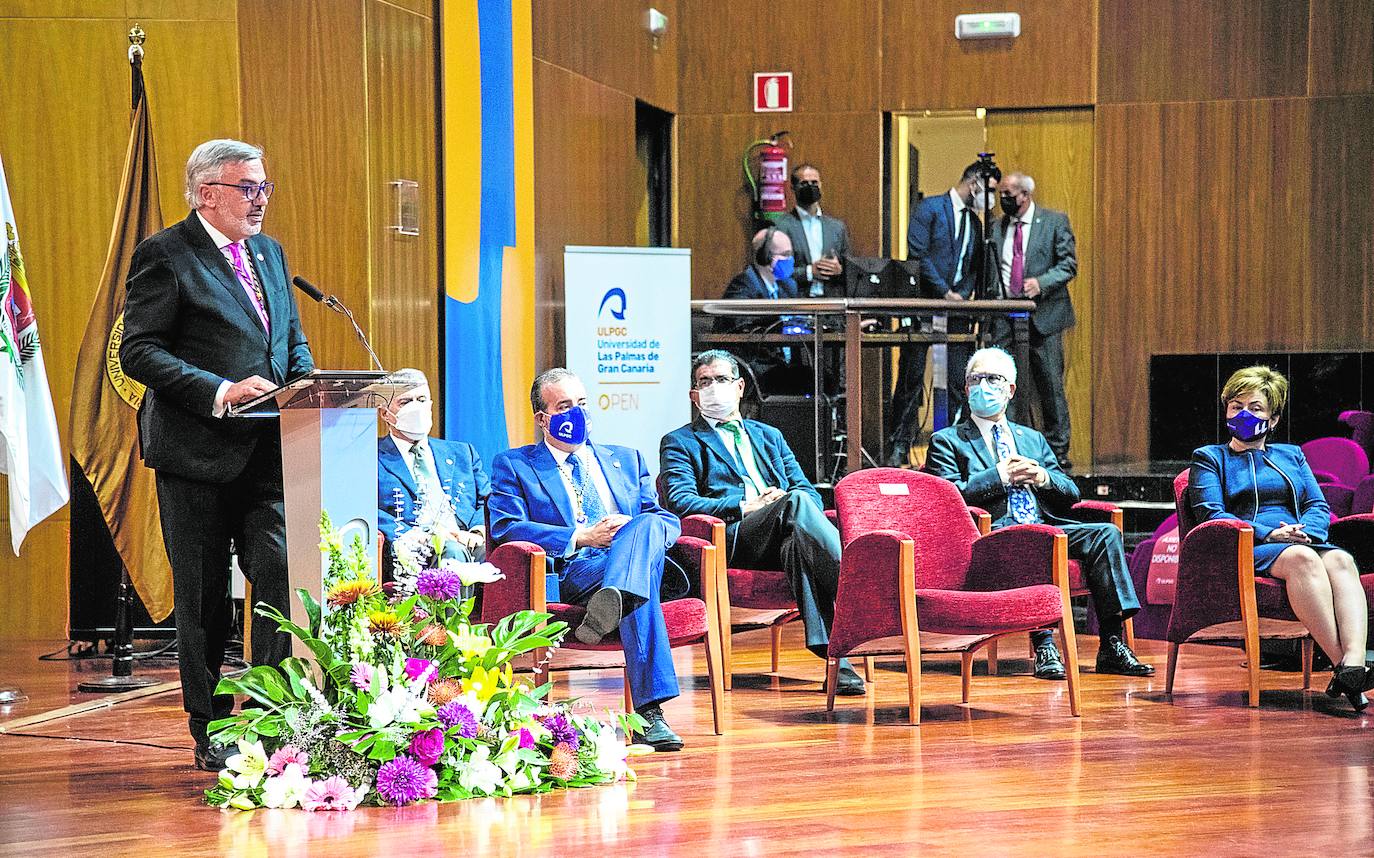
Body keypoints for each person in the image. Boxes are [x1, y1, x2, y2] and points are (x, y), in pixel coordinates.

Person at [121, 139, 315, 771]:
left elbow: (288, 338)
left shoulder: (270, 252)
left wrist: (307, 388)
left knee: (280, 572)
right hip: (196, 456)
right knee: (203, 597)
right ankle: (210, 728)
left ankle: (270, 714)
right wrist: (219, 390)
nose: (260, 200)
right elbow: (139, 350)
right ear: (206, 193)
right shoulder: (166, 254)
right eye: (247, 188)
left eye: (265, 188)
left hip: (268, 455)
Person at [488, 369, 689, 750]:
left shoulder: (627, 459)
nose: (576, 413)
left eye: (581, 403)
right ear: (541, 418)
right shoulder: (515, 465)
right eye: (564, 406)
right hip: (578, 568)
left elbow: (665, 520)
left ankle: (615, 596)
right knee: (638, 583)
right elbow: (506, 527)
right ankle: (650, 717)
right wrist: (581, 536)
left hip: (638, 558)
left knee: (644, 525)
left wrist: (631, 529)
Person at [926, 347, 1152, 680]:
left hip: (1045, 525)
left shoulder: (1032, 439)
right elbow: (945, 496)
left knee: (1105, 533)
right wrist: (999, 476)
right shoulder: (948, 441)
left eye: (993, 379)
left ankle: (1112, 643)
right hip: (993, 535)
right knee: (1032, 540)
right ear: (966, 387)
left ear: (1011, 390)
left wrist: (1041, 477)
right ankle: (1045, 644)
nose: (983, 386)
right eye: (976, 379)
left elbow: (1071, 494)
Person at [659, 350, 865, 695]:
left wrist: (785, 505)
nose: (713, 388)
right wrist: (745, 506)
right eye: (704, 382)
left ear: (740, 387)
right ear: (694, 396)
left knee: (796, 540)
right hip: (734, 537)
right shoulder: (680, 441)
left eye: (721, 380)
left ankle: (835, 658)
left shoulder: (769, 436)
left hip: (784, 530)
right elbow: (681, 501)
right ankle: (857, 579)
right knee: (794, 504)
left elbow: (806, 490)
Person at [1189, 366, 1372, 711]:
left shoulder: (1292, 455)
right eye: (1236, 406)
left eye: (1255, 408)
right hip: (1247, 545)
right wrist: (1270, 533)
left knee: (1341, 560)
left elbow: (1317, 504)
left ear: (1272, 419)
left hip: (1299, 539)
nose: (1244, 414)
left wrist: (1307, 532)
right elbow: (1212, 514)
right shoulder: (1210, 458)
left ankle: (1352, 662)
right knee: (1304, 560)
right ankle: (1348, 669)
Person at [888, 162, 991, 466]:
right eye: (990, 190)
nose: (991, 198)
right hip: (924, 303)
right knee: (911, 377)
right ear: (974, 183)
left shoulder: (975, 222)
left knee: (960, 379)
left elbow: (975, 266)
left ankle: (950, 450)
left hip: (958, 310)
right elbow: (917, 254)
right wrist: (945, 291)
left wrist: (962, 295)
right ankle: (899, 446)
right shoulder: (930, 208)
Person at [989, 172, 1078, 470]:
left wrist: (1040, 283)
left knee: (1050, 386)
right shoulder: (996, 227)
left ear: (1025, 195)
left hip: (1044, 316)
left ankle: (1058, 452)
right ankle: (1009, 449)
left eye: (1009, 194)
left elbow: (1068, 264)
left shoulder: (1054, 222)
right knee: (1006, 386)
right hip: (1005, 318)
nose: (1004, 200)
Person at [377, 368, 490, 576]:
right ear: (385, 413)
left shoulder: (462, 452)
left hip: (468, 541)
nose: (416, 407)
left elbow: (487, 500)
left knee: (510, 555)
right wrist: (414, 536)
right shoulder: (372, 458)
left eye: (421, 399)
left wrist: (477, 530)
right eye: (405, 402)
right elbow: (366, 511)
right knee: (452, 552)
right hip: (415, 550)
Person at [718, 227, 809, 395]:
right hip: (758, 366)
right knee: (812, 381)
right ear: (766, 257)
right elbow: (740, 324)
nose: (791, 260)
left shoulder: (787, 286)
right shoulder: (744, 284)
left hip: (784, 365)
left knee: (823, 379)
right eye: (786, 254)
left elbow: (802, 318)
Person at [774, 163, 850, 298]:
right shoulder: (781, 226)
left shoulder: (837, 228)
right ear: (793, 188)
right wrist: (809, 272)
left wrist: (840, 270)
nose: (810, 187)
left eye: (814, 182)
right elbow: (775, 270)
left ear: (821, 185)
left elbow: (852, 270)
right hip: (797, 304)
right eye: (804, 183)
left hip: (832, 306)